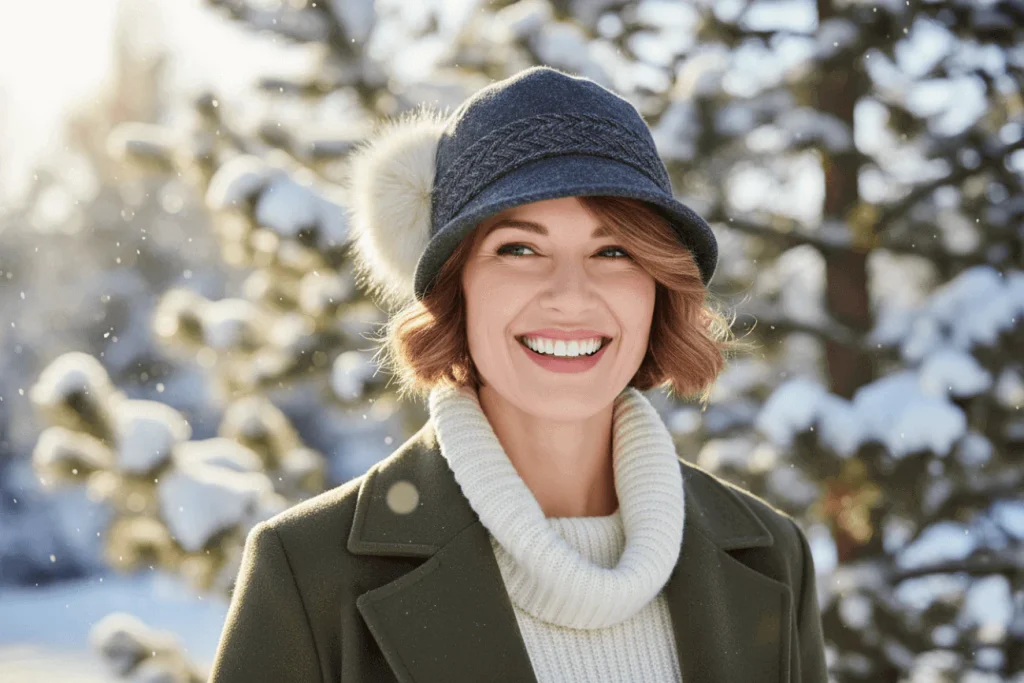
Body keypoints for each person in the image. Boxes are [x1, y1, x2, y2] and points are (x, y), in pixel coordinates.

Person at [208, 65, 829, 683]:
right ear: (458, 287)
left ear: (657, 287)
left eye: (613, 251)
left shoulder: (773, 557)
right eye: (519, 249)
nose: (569, 295)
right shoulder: (309, 573)